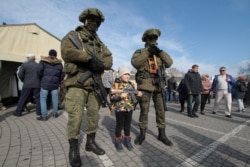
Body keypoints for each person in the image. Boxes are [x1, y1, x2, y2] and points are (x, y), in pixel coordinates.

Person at [61, 8, 113, 167]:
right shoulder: (73, 36)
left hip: (94, 85)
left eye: (97, 22)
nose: (94, 24)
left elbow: (109, 59)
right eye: (91, 20)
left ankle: (90, 142)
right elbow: (66, 52)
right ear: (84, 21)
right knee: (75, 117)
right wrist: (88, 58)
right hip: (78, 83)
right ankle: (74, 148)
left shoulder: (100, 43)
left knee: (93, 116)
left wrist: (101, 64)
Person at [131, 28, 173, 146]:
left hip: (158, 85)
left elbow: (169, 63)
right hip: (145, 85)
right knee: (144, 111)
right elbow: (136, 63)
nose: (153, 40)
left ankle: (162, 134)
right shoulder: (140, 51)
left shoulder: (160, 53)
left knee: (161, 111)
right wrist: (148, 52)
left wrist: (159, 52)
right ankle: (142, 134)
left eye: (155, 38)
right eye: (151, 38)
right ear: (146, 39)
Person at [110, 66, 142, 151]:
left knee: (127, 126)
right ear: (120, 75)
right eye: (125, 74)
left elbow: (134, 98)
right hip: (119, 109)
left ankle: (127, 141)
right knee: (119, 126)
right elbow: (111, 98)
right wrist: (120, 96)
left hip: (129, 109)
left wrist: (138, 96)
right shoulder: (116, 84)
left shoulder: (131, 84)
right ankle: (118, 141)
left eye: (128, 74)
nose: (127, 76)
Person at [36, 49, 64, 121]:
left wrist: (42, 78)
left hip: (45, 83)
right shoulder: (59, 63)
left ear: (49, 54)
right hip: (55, 84)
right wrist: (59, 81)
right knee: (55, 99)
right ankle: (55, 114)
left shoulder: (43, 62)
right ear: (56, 55)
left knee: (43, 99)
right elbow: (62, 74)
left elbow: (38, 71)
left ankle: (44, 116)